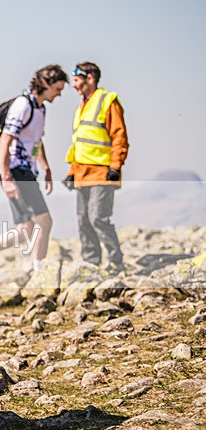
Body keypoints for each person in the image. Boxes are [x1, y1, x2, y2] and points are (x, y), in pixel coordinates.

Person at [0, 65, 68, 284]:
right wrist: (7, 177)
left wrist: (46, 168)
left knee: (26, 229)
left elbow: (36, 141)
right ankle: (40, 274)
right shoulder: (23, 106)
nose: (60, 94)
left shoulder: (41, 109)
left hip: (27, 171)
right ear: (46, 84)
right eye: (57, 89)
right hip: (16, 172)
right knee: (45, 221)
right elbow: (5, 141)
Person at [63, 62, 129, 275]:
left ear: (89, 78)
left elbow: (119, 135)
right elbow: (79, 143)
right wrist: (72, 172)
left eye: (76, 80)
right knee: (83, 220)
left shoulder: (107, 101)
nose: (73, 85)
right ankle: (91, 263)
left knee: (98, 218)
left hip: (103, 172)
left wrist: (115, 166)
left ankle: (115, 261)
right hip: (82, 173)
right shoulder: (81, 107)